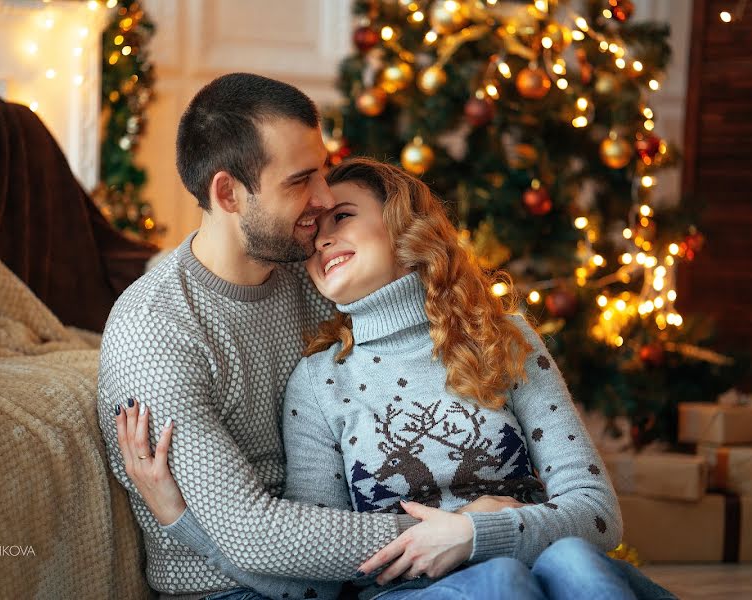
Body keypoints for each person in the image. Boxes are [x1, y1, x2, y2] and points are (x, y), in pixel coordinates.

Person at [115, 158, 677, 600]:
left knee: (575, 563)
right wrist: (180, 520)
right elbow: (308, 581)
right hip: (407, 593)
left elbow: (597, 514)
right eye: (313, 240)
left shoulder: (502, 337)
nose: (322, 242)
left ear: (401, 222)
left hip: (534, 562)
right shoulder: (318, 383)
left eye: (342, 217)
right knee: (500, 583)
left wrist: (477, 537)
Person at [98, 73, 523, 600]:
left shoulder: (313, 271)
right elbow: (251, 535)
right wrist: (460, 532)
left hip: (368, 571)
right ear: (228, 193)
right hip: (232, 589)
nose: (324, 198)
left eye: (322, 171)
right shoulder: (156, 333)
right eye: (300, 181)